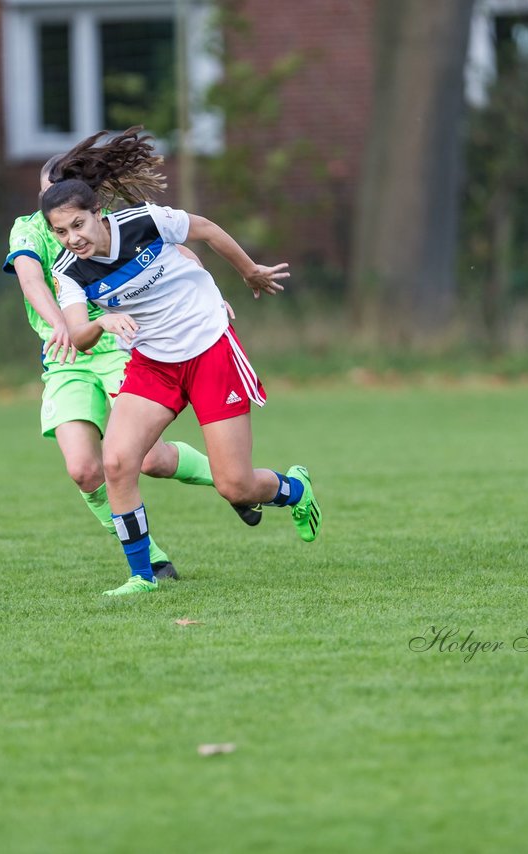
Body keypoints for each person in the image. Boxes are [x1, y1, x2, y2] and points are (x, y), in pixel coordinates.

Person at [42, 127, 322, 596]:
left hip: (210, 348)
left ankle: (294, 490)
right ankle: (141, 576)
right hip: (154, 363)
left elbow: (206, 229)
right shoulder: (69, 273)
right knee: (117, 462)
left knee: (234, 485)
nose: (72, 238)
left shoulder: (144, 222)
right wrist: (102, 324)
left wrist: (249, 271)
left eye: (78, 225)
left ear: (99, 214)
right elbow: (77, 335)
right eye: (60, 231)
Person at [2, 148, 261, 582]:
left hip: (126, 346)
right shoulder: (31, 232)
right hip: (70, 352)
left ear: (86, 196)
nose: (54, 203)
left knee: (152, 461)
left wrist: (208, 294)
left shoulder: (127, 223)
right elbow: (31, 278)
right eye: (48, 199)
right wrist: (63, 328)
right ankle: (150, 565)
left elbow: (181, 252)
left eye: (63, 193)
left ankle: (237, 487)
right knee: (88, 468)